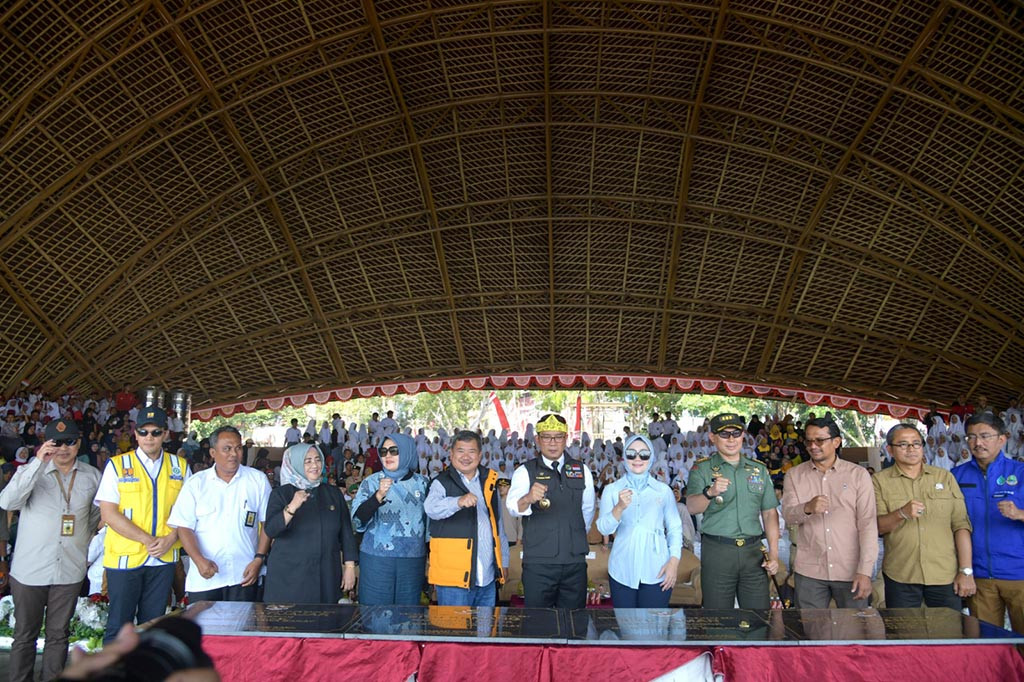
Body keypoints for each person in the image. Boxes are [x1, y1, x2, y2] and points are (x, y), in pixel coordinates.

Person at [0, 418, 101, 682]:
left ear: (79, 443)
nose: (63, 448)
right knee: (25, 635)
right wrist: (38, 463)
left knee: (59, 635)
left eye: (70, 441)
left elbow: (95, 516)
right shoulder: (31, 472)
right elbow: (7, 501)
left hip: (69, 568)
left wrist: (81, 543)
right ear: (46, 444)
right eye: (56, 442)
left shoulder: (92, 477)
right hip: (30, 569)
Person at [96, 405, 190, 642]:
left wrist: (170, 538)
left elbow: (188, 511)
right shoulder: (117, 465)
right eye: (144, 432)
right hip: (125, 559)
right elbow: (108, 513)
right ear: (135, 434)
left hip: (163, 558)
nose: (149, 437)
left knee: (153, 627)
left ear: (166, 434)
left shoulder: (179, 466)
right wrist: (146, 540)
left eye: (156, 432)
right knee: (119, 626)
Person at [873, 423, 975, 609]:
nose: (911, 449)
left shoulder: (944, 478)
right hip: (901, 574)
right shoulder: (879, 481)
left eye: (916, 443)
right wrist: (901, 513)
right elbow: (877, 527)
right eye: (903, 444)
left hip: (944, 573)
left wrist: (966, 571)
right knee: (904, 634)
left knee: (948, 633)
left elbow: (960, 525)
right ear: (890, 449)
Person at [780, 417, 877, 609]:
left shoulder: (858, 475)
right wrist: (807, 508)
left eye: (819, 440)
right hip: (810, 571)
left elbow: (867, 524)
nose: (813, 446)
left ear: (836, 442)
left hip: (850, 569)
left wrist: (865, 571)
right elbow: (788, 515)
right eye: (808, 441)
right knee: (811, 631)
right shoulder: (794, 475)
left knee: (853, 630)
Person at [167, 426, 271, 602]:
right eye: (227, 449)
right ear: (213, 453)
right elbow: (184, 526)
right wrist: (199, 560)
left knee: (243, 627)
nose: (234, 454)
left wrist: (259, 559)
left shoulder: (257, 480)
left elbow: (267, 523)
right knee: (204, 629)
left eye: (238, 448)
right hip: (206, 578)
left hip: (245, 574)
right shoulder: (196, 484)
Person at [686, 413, 780, 609]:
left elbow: (770, 513)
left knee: (758, 615)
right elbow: (692, 507)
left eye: (736, 434)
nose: (731, 439)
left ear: (743, 435)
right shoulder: (702, 469)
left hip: (753, 552)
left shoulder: (758, 469)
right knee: (718, 616)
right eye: (724, 434)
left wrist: (774, 553)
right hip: (718, 550)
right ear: (712, 437)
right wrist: (710, 492)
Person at [506, 413, 596, 608]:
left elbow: (587, 511)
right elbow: (513, 507)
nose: (553, 442)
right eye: (547, 437)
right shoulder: (525, 471)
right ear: (538, 440)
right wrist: (528, 498)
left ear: (566, 439)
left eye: (558, 437)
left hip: (574, 562)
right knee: (538, 623)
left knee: (573, 624)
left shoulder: (582, 470)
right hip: (539, 563)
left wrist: (573, 536)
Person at [953, 411, 1024, 632]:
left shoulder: (1020, 473)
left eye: (985, 436)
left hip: (1019, 574)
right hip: (979, 576)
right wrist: (965, 571)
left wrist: (1020, 514)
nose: (978, 442)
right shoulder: (956, 476)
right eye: (971, 437)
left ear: (1002, 439)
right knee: (988, 643)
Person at [263, 443, 357, 603]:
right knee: (291, 623)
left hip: (326, 571)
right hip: (289, 575)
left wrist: (349, 567)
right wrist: (292, 507)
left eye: (317, 459)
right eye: (307, 461)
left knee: (325, 622)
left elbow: (346, 532)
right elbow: (271, 530)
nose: (315, 465)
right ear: (296, 464)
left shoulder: (332, 493)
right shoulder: (281, 493)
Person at [425, 430, 509, 606]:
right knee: (455, 631)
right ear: (451, 454)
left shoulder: (489, 481)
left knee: (486, 631)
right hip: (453, 579)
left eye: (471, 451)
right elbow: (430, 508)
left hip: (486, 577)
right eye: (460, 451)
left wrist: (504, 563)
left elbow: (497, 526)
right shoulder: (441, 482)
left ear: (479, 455)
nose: (465, 456)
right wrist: (458, 502)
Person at [596, 434, 682, 607]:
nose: (637, 459)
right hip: (622, 568)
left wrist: (674, 561)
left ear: (651, 457)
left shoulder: (662, 491)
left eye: (643, 454)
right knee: (626, 625)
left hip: (658, 568)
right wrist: (618, 508)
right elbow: (604, 529)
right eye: (631, 454)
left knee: (654, 626)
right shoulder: (613, 490)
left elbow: (674, 528)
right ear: (624, 457)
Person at [350, 433, 428, 605]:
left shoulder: (424, 484)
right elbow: (357, 521)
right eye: (383, 451)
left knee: (407, 617)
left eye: (394, 450)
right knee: (375, 614)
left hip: (412, 560)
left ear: (407, 452)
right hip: (376, 558)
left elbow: (430, 527)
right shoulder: (371, 482)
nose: (388, 456)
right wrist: (377, 496)